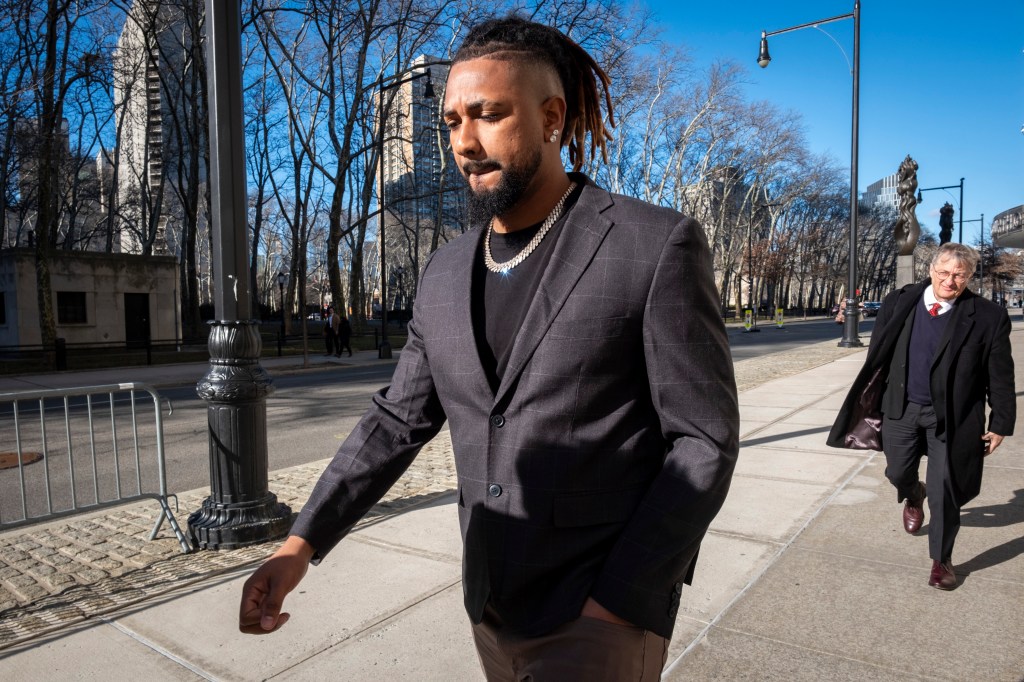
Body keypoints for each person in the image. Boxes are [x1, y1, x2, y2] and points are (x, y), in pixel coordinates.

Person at [239, 16, 738, 679]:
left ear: (552, 116)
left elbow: (703, 440)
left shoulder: (653, 245)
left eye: (488, 115)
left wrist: (619, 603)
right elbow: (396, 422)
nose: (465, 142)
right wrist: (300, 546)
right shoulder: (445, 272)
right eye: (451, 122)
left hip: (597, 615)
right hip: (490, 605)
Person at [828, 243, 1014, 590]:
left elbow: (1000, 375)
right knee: (897, 471)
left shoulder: (988, 316)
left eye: (959, 275)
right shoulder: (900, 302)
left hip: (955, 417)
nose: (950, 281)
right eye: (943, 273)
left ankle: (941, 560)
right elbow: (878, 355)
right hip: (901, 408)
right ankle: (914, 494)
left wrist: (1001, 423)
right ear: (930, 271)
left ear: (970, 276)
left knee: (946, 490)